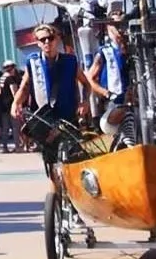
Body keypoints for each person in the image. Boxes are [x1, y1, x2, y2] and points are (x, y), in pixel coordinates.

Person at [11, 23, 94, 177]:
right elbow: (25, 87)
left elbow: (86, 84)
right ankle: (56, 194)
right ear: (38, 43)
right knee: (50, 160)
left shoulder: (70, 61)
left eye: (50, 38)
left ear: (57, 40)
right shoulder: (33, 62)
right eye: (43, 40)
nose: (47, 42)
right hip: (45, 118)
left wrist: (85, 101)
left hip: (68, 115)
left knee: (73, 157)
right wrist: (16, 103)